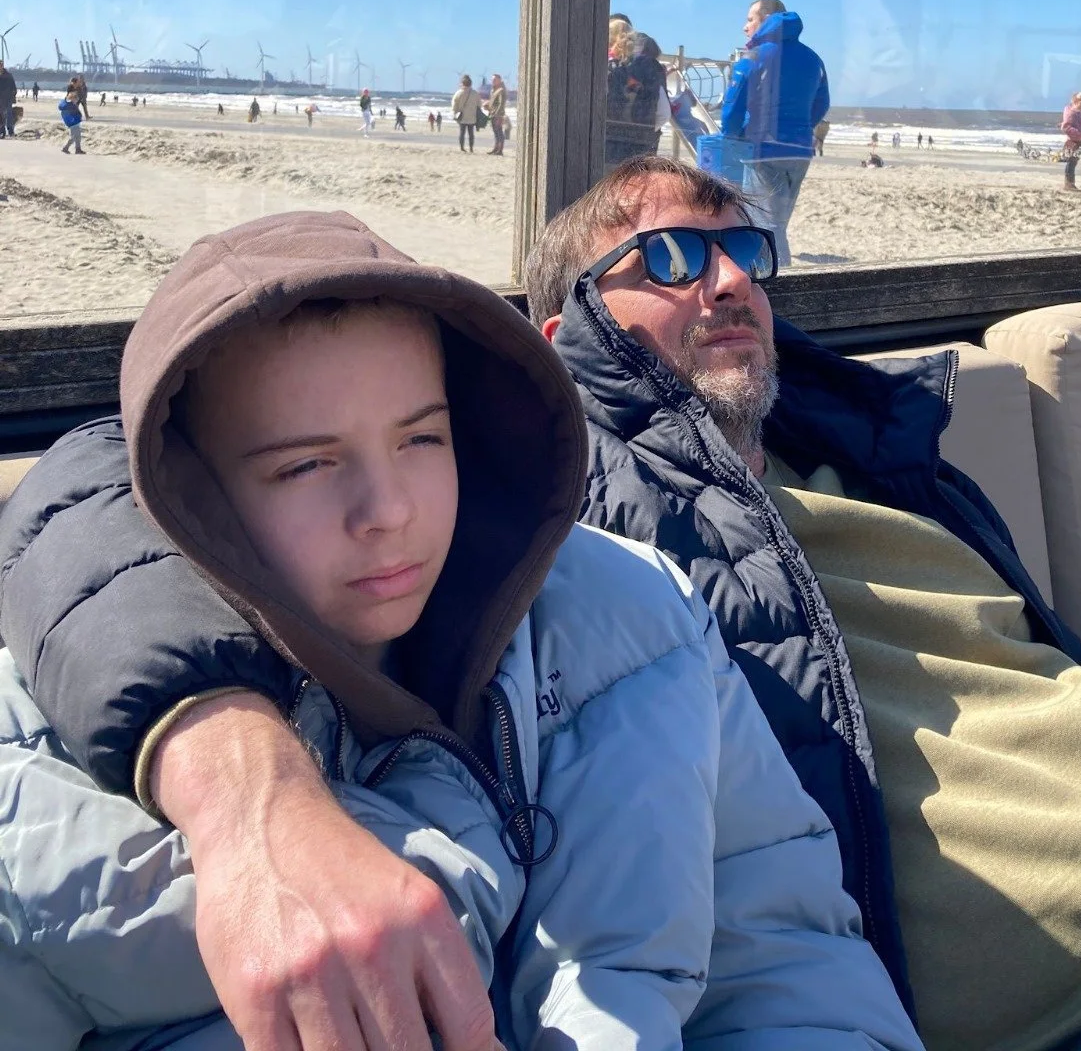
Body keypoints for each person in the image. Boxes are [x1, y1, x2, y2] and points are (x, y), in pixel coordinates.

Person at [0, 210, 921, 1051]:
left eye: (421, 439)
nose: (387, 510)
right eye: (306, 467)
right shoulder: (46, 758)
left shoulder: (642, 612)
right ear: (197, 494)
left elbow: (787, 960)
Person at [719, 0, 830, 267]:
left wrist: (734, 133)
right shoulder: (813, 58)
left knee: (766, 224)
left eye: (750, 19)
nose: (745, 27)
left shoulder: (755, 55)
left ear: (765, 20)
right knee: (778, 221)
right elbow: (822, 104)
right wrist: (801, 128)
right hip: (801, 151)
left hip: (764, 150)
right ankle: (771, 273)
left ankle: (781, 280)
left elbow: (732, 106)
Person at [604, 17, 667, 168]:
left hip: (606, 149)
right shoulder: (649, 67)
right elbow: (664, 113)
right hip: (641, 154)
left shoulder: (603, 66)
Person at [1060, 91, 1081, 191]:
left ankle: (1071, 183)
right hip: (1072, 141)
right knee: (1071, 162)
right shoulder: (1071, 112)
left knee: (1074, 161)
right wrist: (1078, 133)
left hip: (1080, 141)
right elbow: (1066, 127)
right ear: (1075, 102)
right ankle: (1068, 183)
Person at [450, 74, 483, 153]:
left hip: (462, 116)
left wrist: (454, 113)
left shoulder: (459, 93)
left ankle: (462, 148)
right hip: (472, 117)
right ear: (471, 84)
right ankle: (471, 148)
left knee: (462, 133)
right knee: (471, 134)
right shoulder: (475, 93)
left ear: (462, 83)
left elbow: (454, 104)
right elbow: (479, 105)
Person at [57, 87, 84, 153]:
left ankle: (78, 149)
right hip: (73, 123)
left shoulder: (71, 105)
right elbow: (71, 115)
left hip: (75, 123)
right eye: (76, 99)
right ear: (72, 98)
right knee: (74, 137)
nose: (76, 101)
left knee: (77, 136)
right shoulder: (69, 106)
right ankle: (66, 148)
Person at [486, 73, 507, 155]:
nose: (493, 81)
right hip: (492, 114)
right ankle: (495, 149)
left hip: (498, 114)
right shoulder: (493, 90)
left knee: (499, 132)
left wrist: (498, 115)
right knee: (496, 132)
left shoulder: (501, 90)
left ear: (499, 80)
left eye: (494, 80)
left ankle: (500, 150)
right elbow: (494, 102)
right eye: (492, 80)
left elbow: (501, 103)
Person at [0, 58, 15, 137]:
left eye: (1, 64)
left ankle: (10, 131)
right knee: (1, 116)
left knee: (9, 115)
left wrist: (13, 96)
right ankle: (2, 131)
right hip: (1, 98)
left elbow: (13, 87)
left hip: (7, 98)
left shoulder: (8, 75)